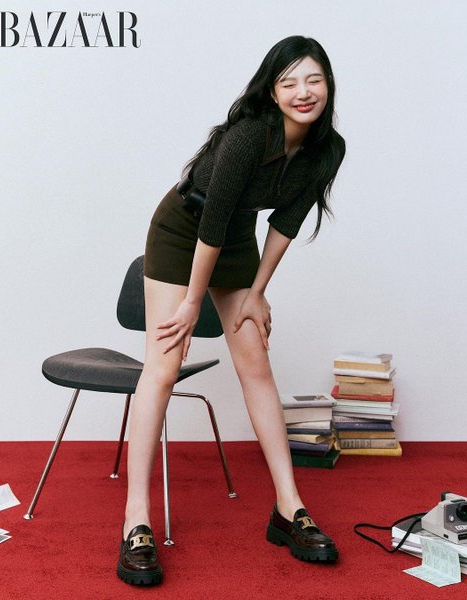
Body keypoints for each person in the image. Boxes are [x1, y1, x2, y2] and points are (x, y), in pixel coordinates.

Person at [117, 35, 346, 586]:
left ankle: (289, 508)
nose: (303, 92)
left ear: (328, 85)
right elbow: (210, 223)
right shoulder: (249, 136)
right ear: (272, 90)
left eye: (313, 80)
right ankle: (136, 519)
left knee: (256, 364)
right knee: (163, 365)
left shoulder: (327, 150)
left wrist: (256, 292)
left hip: (235, 237)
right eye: (289, 82)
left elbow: (284, 224)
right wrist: (193, 302)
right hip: (184, 229)